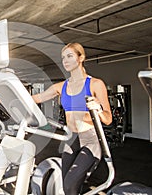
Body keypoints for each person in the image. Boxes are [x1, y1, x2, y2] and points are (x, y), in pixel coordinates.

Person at [32, 42, 112, 195]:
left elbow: (108, 119)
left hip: (90, 139)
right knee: (68, 186)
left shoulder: (95, 84)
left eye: (70, 56)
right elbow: (37, 98)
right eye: (63, 58)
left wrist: (99, 109)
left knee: (70, 184)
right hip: (70, 138)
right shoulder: (61, 86)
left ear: (81, 57)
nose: (65, 61)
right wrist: (6, 95)